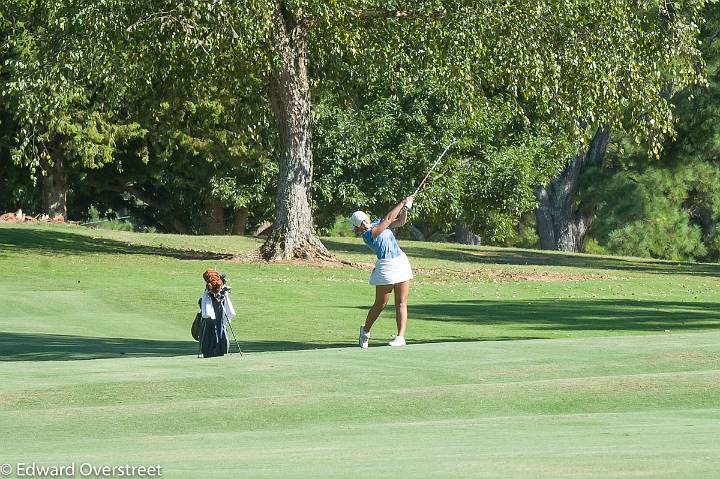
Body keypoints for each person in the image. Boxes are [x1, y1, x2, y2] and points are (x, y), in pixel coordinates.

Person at [351, 196, 415, 348]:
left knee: (401, 302)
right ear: (358, 228)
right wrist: (401, 202)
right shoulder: (368, 236)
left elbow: (399, 222)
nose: (364, 223)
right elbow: (388, 219)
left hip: (400, 262)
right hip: (386, 267)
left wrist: (405, 209)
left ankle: (400, 337)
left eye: (365, 220)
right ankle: (365, 331)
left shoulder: (376, 223)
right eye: (361, 223)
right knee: (380, 304)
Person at [199, 269, 236, 358]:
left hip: (217, 309)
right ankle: (219, 349)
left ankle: (211, 350)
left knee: (213, 327)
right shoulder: (214, 290)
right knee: (219, 327)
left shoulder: (209, 290)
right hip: (218, 309)